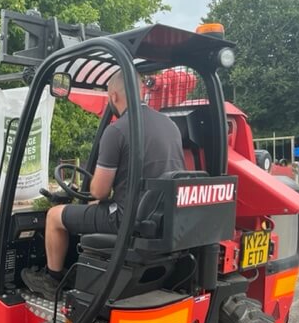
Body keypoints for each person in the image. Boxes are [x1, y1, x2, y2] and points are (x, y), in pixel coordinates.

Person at [21, 69, 185, 299]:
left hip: (126, 219)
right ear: (141, 91)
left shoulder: (116, 130)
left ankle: (52, 279)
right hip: (160, 219)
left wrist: (99, 195)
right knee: (95, 206)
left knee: (54, 216)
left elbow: (98, 190)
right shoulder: (170, 126)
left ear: (114, 96)